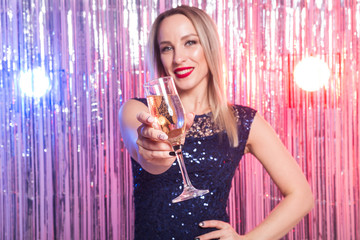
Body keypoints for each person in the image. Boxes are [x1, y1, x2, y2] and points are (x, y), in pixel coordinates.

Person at [119, 5, 313, 240]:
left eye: (190, 42)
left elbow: (301, 196)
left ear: (209, 46)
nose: (179, 57)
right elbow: (149, 159)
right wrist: (153, 148)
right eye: (167, 48)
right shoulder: (141, 110)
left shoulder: (240, 121)